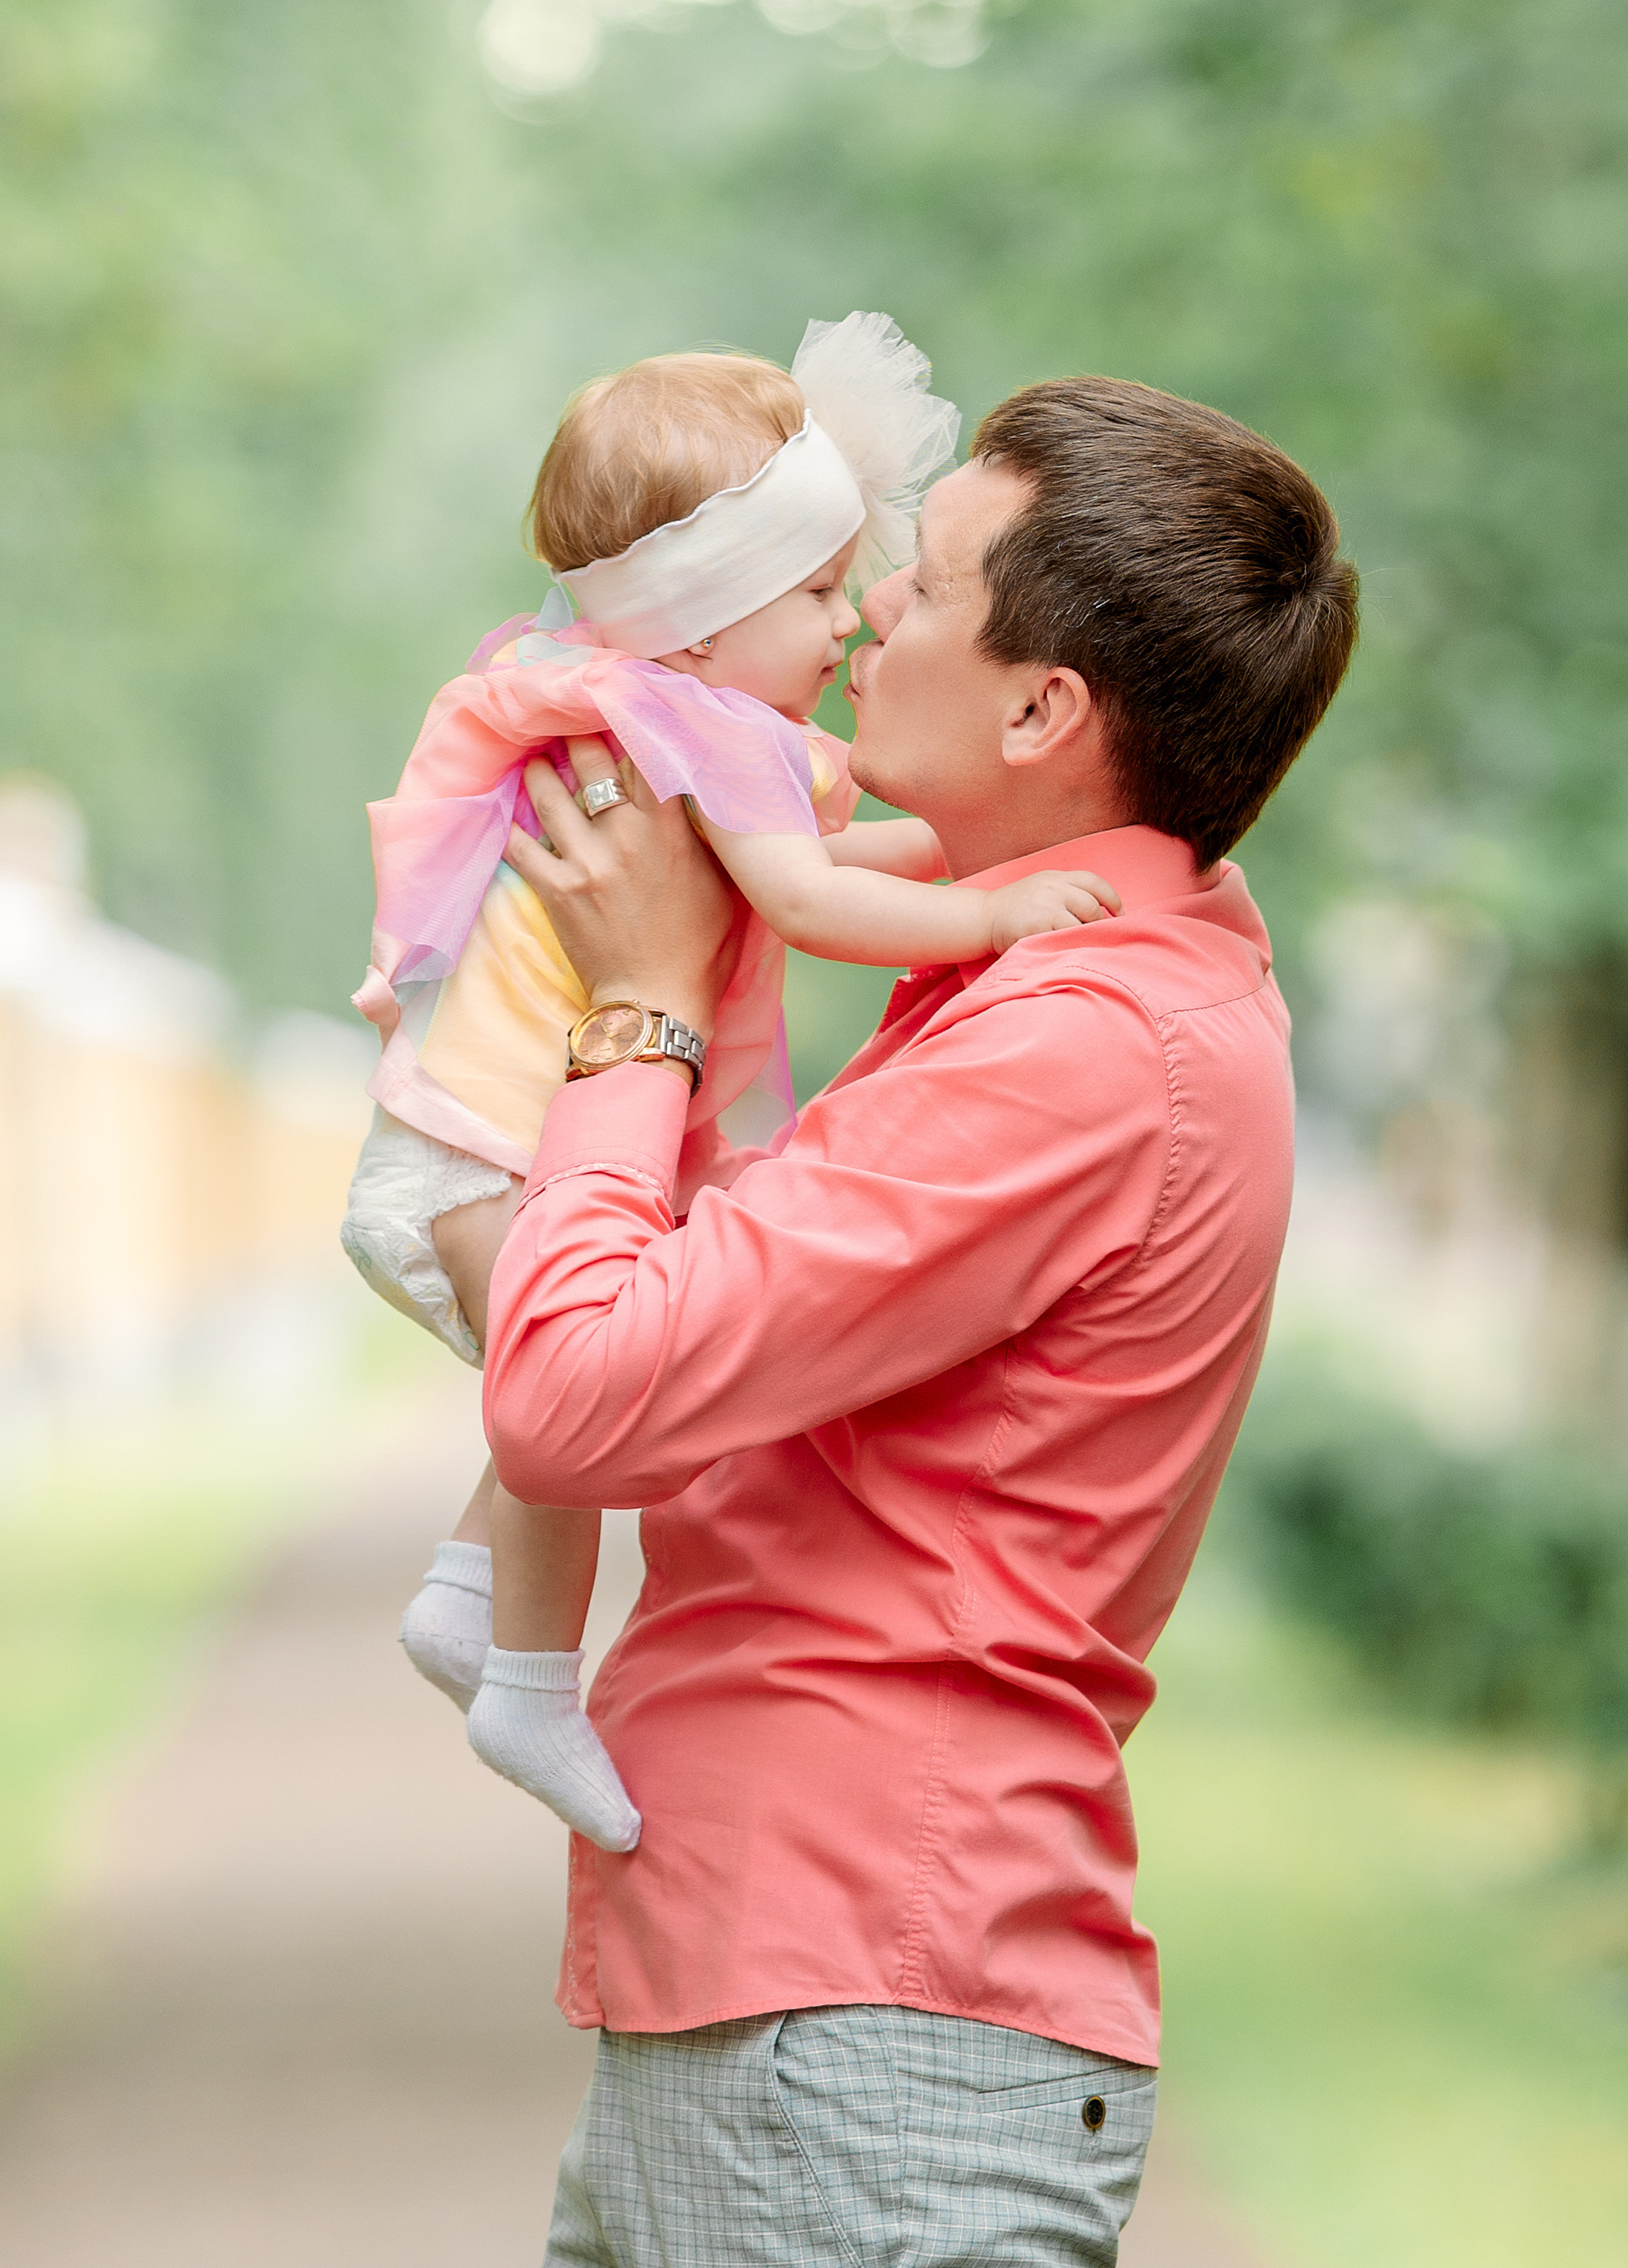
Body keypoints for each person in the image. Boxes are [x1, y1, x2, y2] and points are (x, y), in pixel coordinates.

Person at [479, 376, 1359, 2267]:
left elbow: (573, 1397)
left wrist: (629, 1012)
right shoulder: (1088, 975)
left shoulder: (1072, 1050)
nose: (864, 597)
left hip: (852, 2042)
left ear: (1045, 708)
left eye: (930, 579)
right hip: (812, 2013)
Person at [341, 316, 1118, 1854]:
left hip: (458, 1155)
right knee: (595, 1400)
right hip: (478, 1170)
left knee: (600, 1374)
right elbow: (812, 904)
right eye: (820, 593)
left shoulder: (648, 703)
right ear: (700, 621)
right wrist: (986, 912)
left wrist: (1008, 850)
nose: (850, 624)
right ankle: (527, 1677)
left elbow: (821, 858)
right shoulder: (689, 729)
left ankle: (458, 1592)